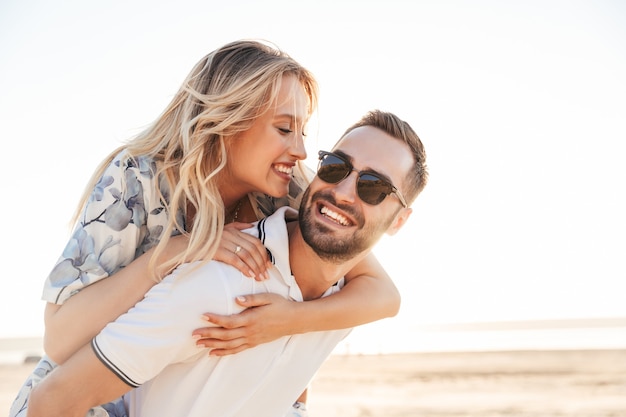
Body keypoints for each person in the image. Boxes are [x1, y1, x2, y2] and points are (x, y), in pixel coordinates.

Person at [10, 40, 402, 417]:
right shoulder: (137, 178)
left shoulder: (287, 190)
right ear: (226, 122)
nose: (300, 150)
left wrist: (284, 321)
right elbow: (59, 342)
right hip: (79, 400)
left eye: (302, 131)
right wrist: (179, 250)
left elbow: (383, 296)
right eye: (284, 129)